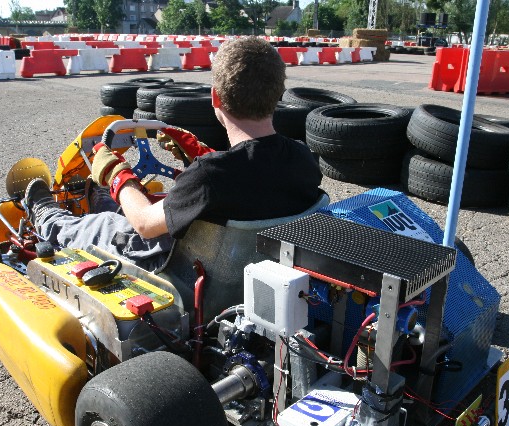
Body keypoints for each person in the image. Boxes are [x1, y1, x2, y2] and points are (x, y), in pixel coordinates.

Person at [24, 36, 323, 271]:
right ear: (278, 96)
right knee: (136, 209)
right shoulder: (303, 158)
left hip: (178, 267)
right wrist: (195, 157)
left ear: (215, 97)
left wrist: (116, 174)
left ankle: (46, 215)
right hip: (246, 265)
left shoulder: (209, 177)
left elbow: (143, 223)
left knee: (104, 226)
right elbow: (253, 177)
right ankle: (104, 202)